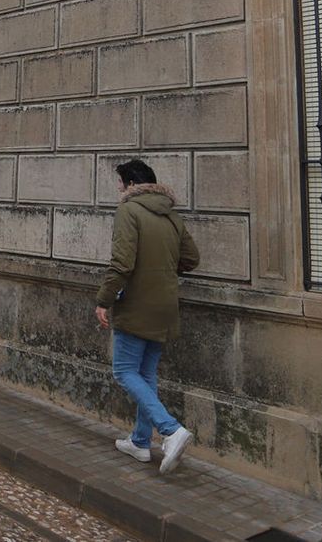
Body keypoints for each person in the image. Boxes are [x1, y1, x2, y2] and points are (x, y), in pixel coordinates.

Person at [95, 158, 200, 473]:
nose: (118, 190)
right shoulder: (171, 216)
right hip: (165, 306)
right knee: (146, 374)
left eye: (120, 184)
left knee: (124, 371)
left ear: (130, 185)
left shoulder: (129, 211)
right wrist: (163, 269)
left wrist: (103, 300)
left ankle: (170, 430)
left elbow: (122, 263)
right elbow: (192, 258)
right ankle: (141, 442)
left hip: (137, 305)